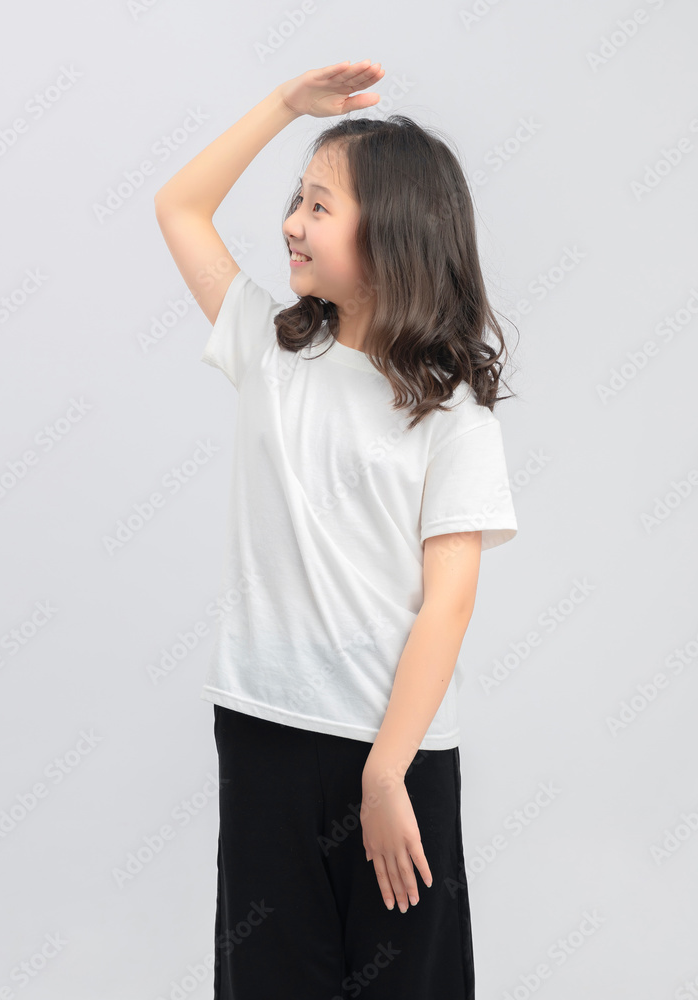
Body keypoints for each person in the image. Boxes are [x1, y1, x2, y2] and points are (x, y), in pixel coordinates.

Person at [154, 59, 519, 1000]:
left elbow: (447, 607)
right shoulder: (272, 352)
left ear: (392, 230)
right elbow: (179, 209)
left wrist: (386, 774)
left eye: (319, 205)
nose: (290, 223)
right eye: (296, 199)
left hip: (396, 758)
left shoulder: (452, 418)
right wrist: (284, 106)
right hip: (267, 730)